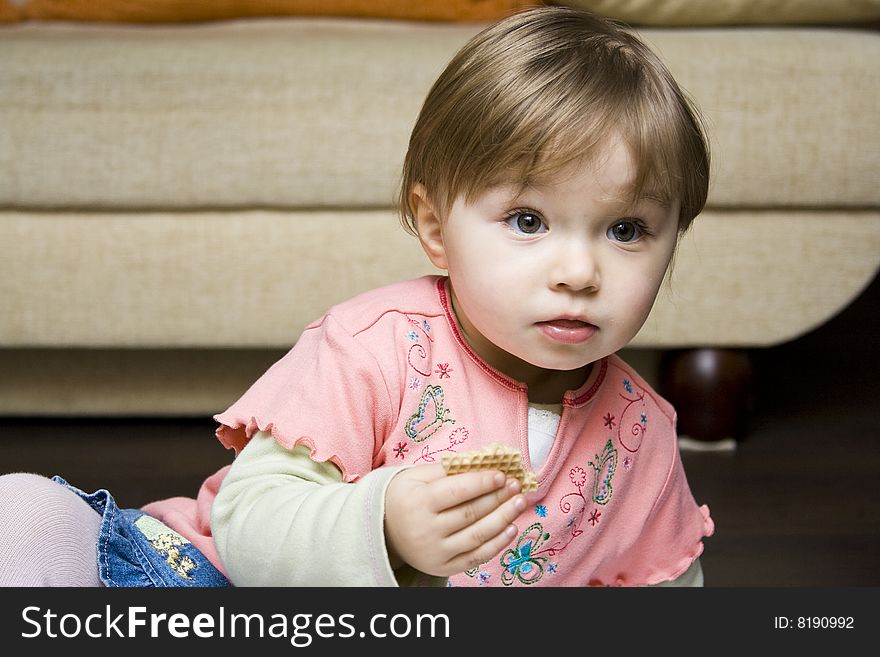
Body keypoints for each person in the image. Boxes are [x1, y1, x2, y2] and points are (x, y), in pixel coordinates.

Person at [0, 6, 713, 588]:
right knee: (27, 519)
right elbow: (250, 524)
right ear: (435, 227)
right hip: (212, 586)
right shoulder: (376, 346)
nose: (579, 271)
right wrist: (385, 523)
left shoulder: (641, 434)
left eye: (627, 229)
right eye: (528, 221)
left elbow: (664, 588)